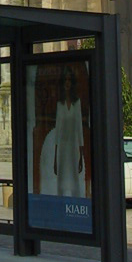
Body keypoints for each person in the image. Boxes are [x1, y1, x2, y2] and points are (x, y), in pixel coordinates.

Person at [39, 68, 85, 198]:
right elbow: (58, 130)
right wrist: (55, 157)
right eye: (65, 80)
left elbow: (79, 128)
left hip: (74, 147)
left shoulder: (77, 103)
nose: (67, 82)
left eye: (69, 80)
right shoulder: (60, 104)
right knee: (61, 181)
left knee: (75, 181)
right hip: (62, 149)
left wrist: (81, 155)